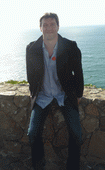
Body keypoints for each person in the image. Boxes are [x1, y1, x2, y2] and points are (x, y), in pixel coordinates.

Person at [26, 13, 84, 170]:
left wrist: (78, 94)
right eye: (45, 25)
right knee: (32, 134)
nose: (49, 28)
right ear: (40, 28)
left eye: (52, 24)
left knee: (76, 134)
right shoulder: (32, 48)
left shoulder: (71, 47)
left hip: (64, 96)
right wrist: (33, 94)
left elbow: (78, 73)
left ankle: (72, 167)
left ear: (58, 26)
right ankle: (39, 165)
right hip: (42, 96)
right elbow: (30, 75)